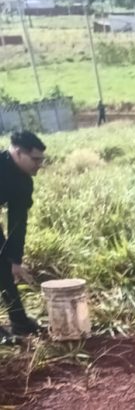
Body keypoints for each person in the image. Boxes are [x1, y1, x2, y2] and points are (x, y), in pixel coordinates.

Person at [0, 130, 46, 339]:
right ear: (18, 152)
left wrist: (14, 260)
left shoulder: (24, 181)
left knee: (4, 266)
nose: (39, 165)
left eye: (41, 160)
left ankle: (19, 322)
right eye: (35, 159)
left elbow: (18, 223)